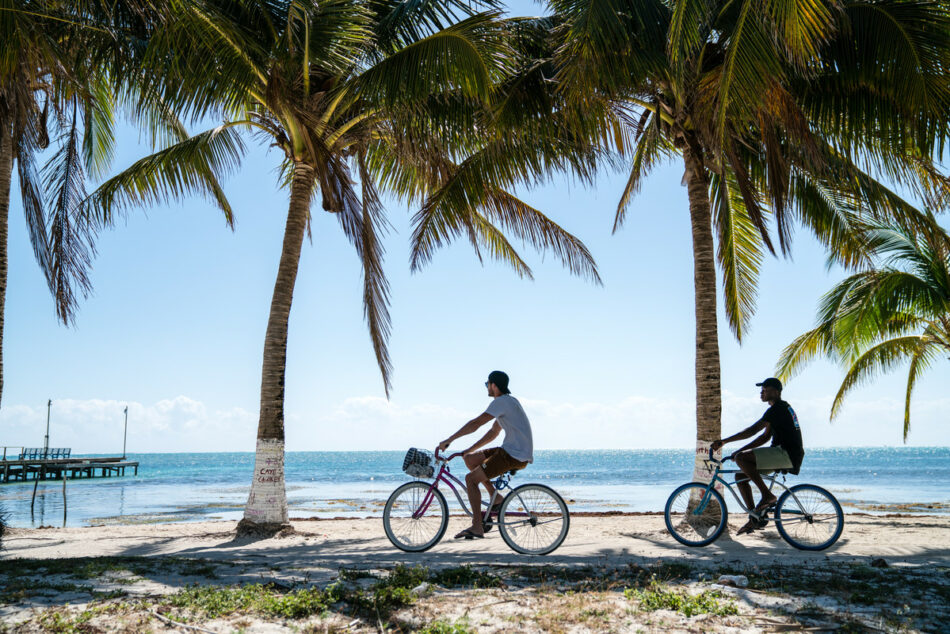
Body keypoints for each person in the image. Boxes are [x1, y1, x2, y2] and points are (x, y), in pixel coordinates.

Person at [437, 370, 533, 540]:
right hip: (512, 451)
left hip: (512, 455)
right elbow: (493, 433)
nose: (486, 388)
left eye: (487, 384)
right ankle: (496, 498)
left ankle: (476, 527)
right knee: (470, 459)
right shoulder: (508, 402)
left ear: (494, 385)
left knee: (470, 480)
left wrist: (449, 439)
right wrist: (469, 449)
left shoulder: (501, 402)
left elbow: (475, 424)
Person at [711, 377, 804, 535]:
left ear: (776, 392)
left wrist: (725, 441)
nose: (762, 392)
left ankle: (767, 496)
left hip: (786, 453)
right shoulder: (780, 409)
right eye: (762, 390)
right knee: (741, 476)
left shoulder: (777, 408)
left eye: (765, 389)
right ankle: (755, 518)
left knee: (741, 459)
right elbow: (764, 437)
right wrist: (739, 450)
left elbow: (752, 431)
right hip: (786, 453)